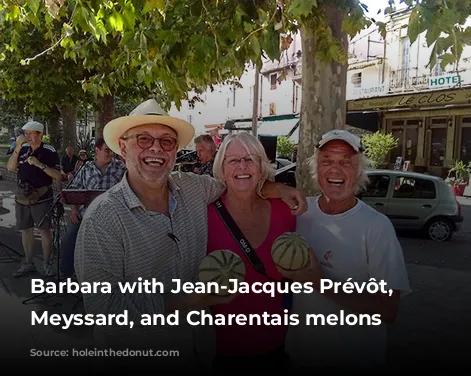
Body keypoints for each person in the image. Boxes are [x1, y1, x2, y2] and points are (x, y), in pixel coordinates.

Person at [73, 99, 306, 371]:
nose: (156, 148)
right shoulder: (103, 218)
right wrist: (193, 299)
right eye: (144, 139)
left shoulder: (195, 189)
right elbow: (104, 309)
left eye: (167, 141)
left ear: (175, 151)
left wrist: (279, 189)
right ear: (123, 148)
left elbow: (238, 179)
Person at [281, 130, 411, 371]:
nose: (334, 169)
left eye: (345, 162)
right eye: (326, 160)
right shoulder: (300, 211)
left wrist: (320, 282)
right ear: (316, 168)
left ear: (359, 171)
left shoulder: (376, 226)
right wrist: (279, 190)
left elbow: (387, 310)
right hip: (300, 356)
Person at [207, 132, 295, 370]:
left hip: (278, 347)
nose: (242, 166)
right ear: (222, 169)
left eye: (250, 159)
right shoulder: (203, 215)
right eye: (233, 160)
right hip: (218, 351)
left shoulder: (285, 211)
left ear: (261, 166)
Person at [59, 138, 126, 279]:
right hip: (86, 215)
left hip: (113, 217)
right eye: (107, 150)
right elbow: (74, 190)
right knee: (68, 240)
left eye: (112, 151)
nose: (110, 154)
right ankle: (67, 275)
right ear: (97, 150)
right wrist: (74, 211)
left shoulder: (120, 167)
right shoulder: (86, 168)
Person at [7, 121, 62, 277]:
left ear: (40, 134)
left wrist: (39, 165)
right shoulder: (22, 148)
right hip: (23, 195)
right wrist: (17, 147)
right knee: (26, 230)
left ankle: (46, 264)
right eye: (26, 133)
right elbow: (10, 168)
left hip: (42, 196)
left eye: (30, 133)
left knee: (44, 230)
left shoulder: (49, 150)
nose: (27, 137)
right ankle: (28, 263)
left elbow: (58, 175)